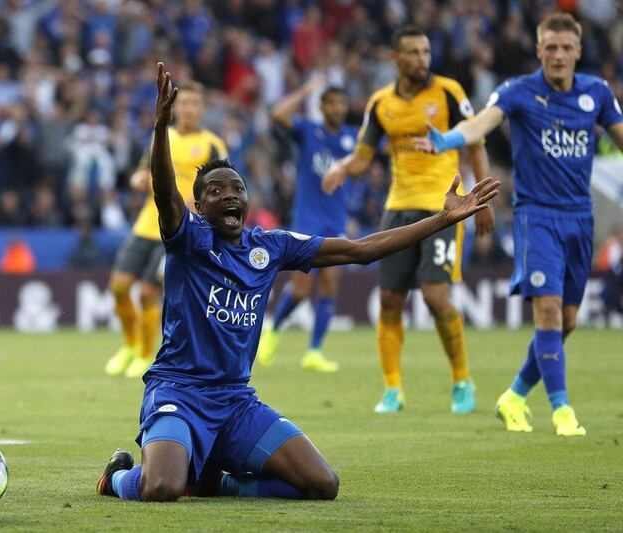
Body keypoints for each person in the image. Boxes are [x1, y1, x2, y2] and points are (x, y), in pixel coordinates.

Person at [95, 62, 499, 502]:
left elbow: (360, 250)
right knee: (163, 488)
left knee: (322, 484)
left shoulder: (270, 246)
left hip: (235, 401)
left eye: (237, 188)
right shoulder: (188, 239)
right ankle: (116, 479)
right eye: (215, 191)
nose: (229, 194)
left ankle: (219, 482)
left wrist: (441, 219)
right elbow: (162, 190)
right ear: (199, 205)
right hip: (179, 391)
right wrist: (160, 129)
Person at [416, 12, 623, 436]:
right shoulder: (519, 92)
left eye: (567, 48)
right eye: (551, 47)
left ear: (579, 51)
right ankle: (562, 410)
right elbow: (481, 124)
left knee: (566, 322)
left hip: (580, 219)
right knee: (546, 310)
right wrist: (449, 139)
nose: (559, 55)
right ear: (538, 50)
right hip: (536, 216)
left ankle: (513, 396)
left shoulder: (597, 93)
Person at [323, 26, 492, 414]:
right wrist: (344, 167)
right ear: (395, 59)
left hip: (445, 207)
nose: (422, 59)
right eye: (414, 52)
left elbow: (475, 140)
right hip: (398, 207)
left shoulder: (449, 91)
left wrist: (481, 198)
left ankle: (462, 380)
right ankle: (393, 390)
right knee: (389, 299)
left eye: (426, 51)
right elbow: (364, 156)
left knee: (435, 296)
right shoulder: (380, 103)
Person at [104, 81, 227, 379]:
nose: (187, 109)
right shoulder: (161, 135)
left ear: (201, 109)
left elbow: (223, 189)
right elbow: (145, 169)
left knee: (147, 292)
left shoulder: (213, 144)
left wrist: (197, 204)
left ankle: (145, 354)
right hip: (146, 222)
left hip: (177, 229)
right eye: (182, 103)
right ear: (175, 107)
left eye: (193, 104)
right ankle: (130, 345)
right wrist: (138, 178)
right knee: (119, 287)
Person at [255, 77, 360, 373]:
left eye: (341, 102)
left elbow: (372, 152)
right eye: (332, 102)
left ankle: (314, 351)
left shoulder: (353, 137)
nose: (338, 108)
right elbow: (277, 114)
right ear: (322, 106)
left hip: (336, 220)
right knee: (301, 288)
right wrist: (303, 89)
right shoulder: (309, 131)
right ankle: (273, 331)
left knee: (330, 284)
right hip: (307, 218)